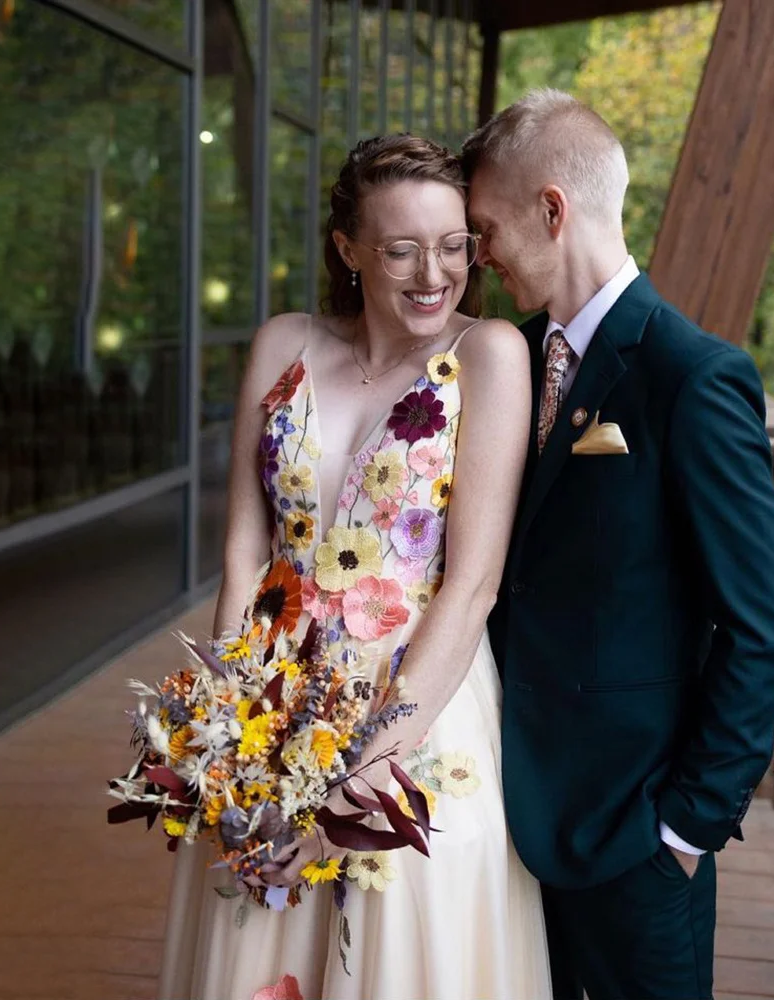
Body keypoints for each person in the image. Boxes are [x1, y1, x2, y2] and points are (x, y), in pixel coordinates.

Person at [155, 134, 553, 1000]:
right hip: (272, 693)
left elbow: (475, 581)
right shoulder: (282, 343)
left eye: (453, 247)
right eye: (401, 249)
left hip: (415, 701)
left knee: (400, 951)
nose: (432, 274)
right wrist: (224, 728)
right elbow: (242, 549)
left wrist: (375, 763)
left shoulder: (489, 354)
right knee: (257, 919)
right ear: (348, 250)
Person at [466, 89, 774, 1000]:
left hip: (633, 840)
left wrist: (683, 832)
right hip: (504, 821)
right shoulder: (508, 359)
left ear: (551, 209)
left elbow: (762, 631)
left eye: (485, 227)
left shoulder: (691, 377)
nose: (477, 255)